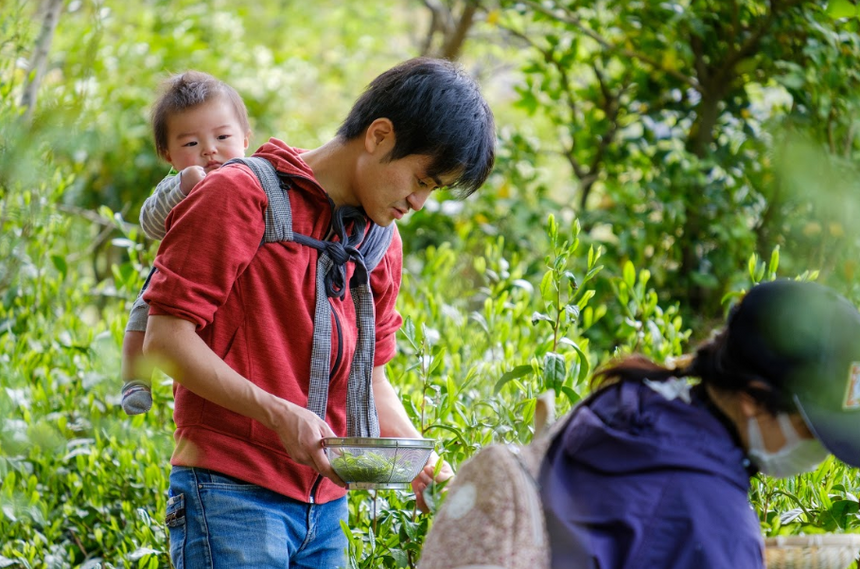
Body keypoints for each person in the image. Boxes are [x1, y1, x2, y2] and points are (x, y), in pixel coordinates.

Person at [142, 57, 495, 567]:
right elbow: (165, 340)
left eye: (433, 190)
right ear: (378, 135)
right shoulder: (238, 196)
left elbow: (369, 380)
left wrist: (427, 463)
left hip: (326, 511)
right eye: (421, 178)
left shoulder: (379, 241)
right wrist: (277, 412)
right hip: (229, 494)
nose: (419, 201)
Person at [540, 278, 860, 569]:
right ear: (752, 400)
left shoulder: (627, 401)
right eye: (810, 430)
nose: (819, 453)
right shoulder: (714, 525)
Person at [120, 70, 251, 416]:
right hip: (180, 271)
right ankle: (135, 379)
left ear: (246, 139)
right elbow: (149, 222)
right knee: (142, 313)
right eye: (191, 144)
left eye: (223, 136)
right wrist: (184, 187)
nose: (209, 150)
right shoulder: (174, 183)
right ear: (167, 154)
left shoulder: (257, 179)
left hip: (233, 271)